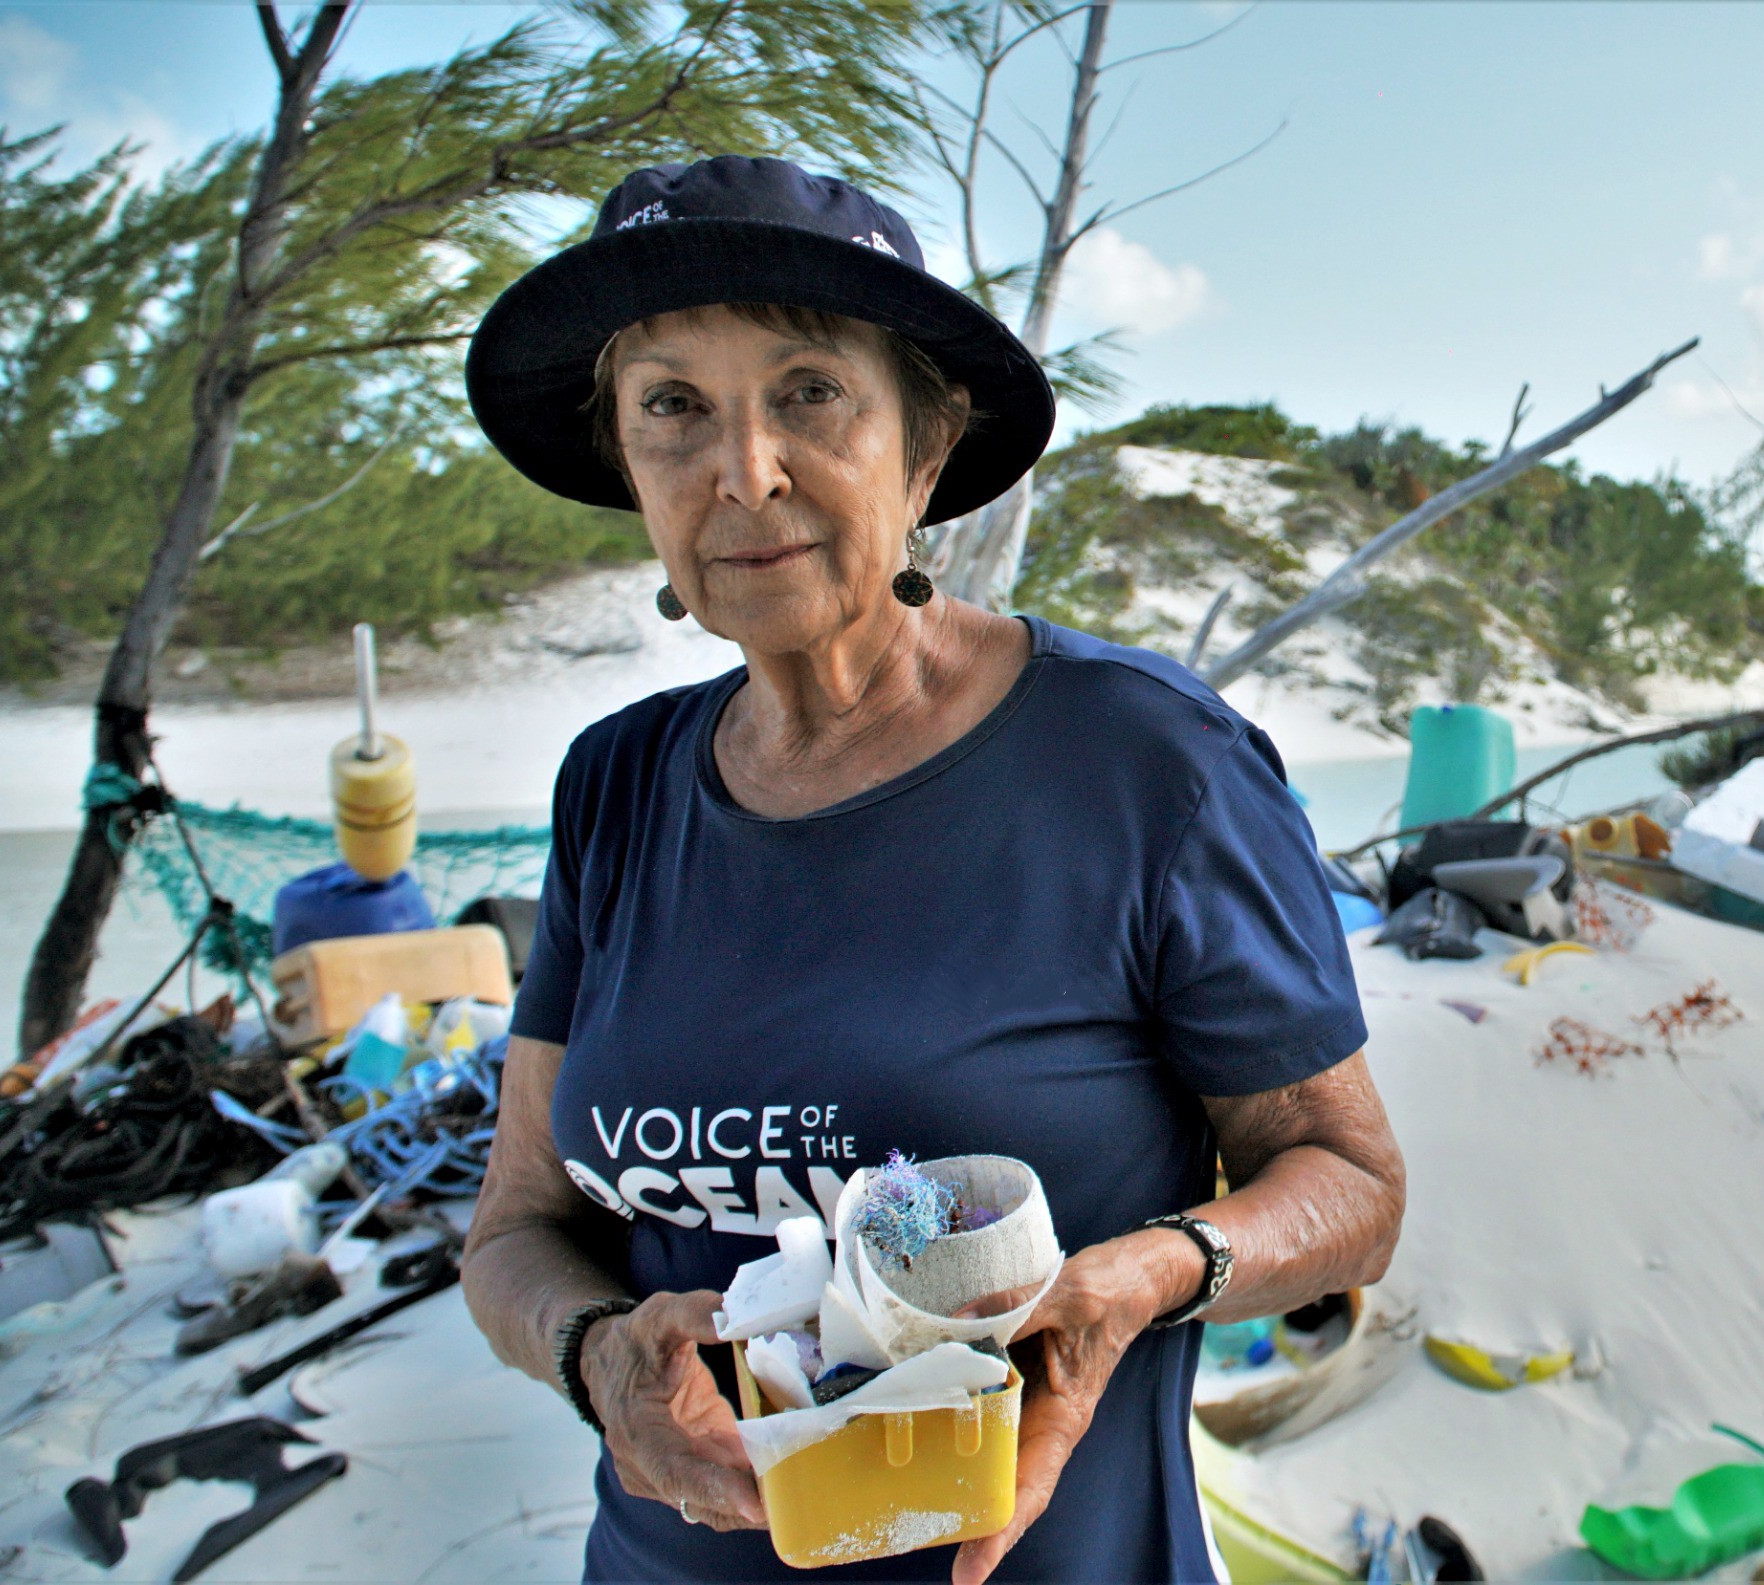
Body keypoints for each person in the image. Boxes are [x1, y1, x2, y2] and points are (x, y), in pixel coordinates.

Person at [457, 157, 1405, 1584]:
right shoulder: (616, 787)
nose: (744, 470)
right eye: (673, 407)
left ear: (928, 444)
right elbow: (518, 1230)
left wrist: (1145, 1276)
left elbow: (1350, 1187)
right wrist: (594, 1352)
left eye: (809, 393)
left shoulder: (1145, 763)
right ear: (627, 462)